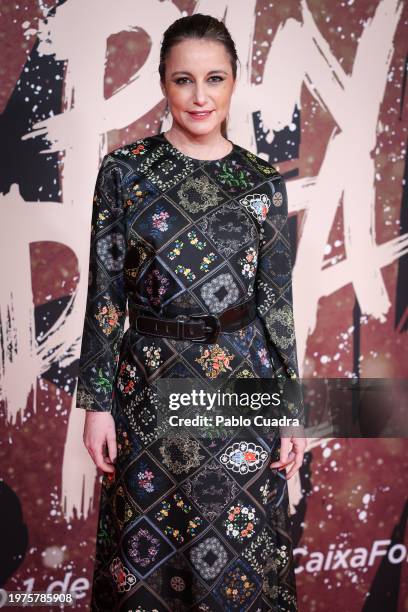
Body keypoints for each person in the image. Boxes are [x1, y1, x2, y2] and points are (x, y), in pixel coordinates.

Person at [76, 12, 306, 612]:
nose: (200, 96)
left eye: (215, 79)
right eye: (184, 80)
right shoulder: (126, 172)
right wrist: (97, 405)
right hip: (150, 386)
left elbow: (276, 304)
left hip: (241, 387)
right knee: (147, 565)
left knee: (236, 564)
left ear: (234, 84)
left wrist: (291, 410)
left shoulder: (261, 182)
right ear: (163, 84)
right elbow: (105, 295)